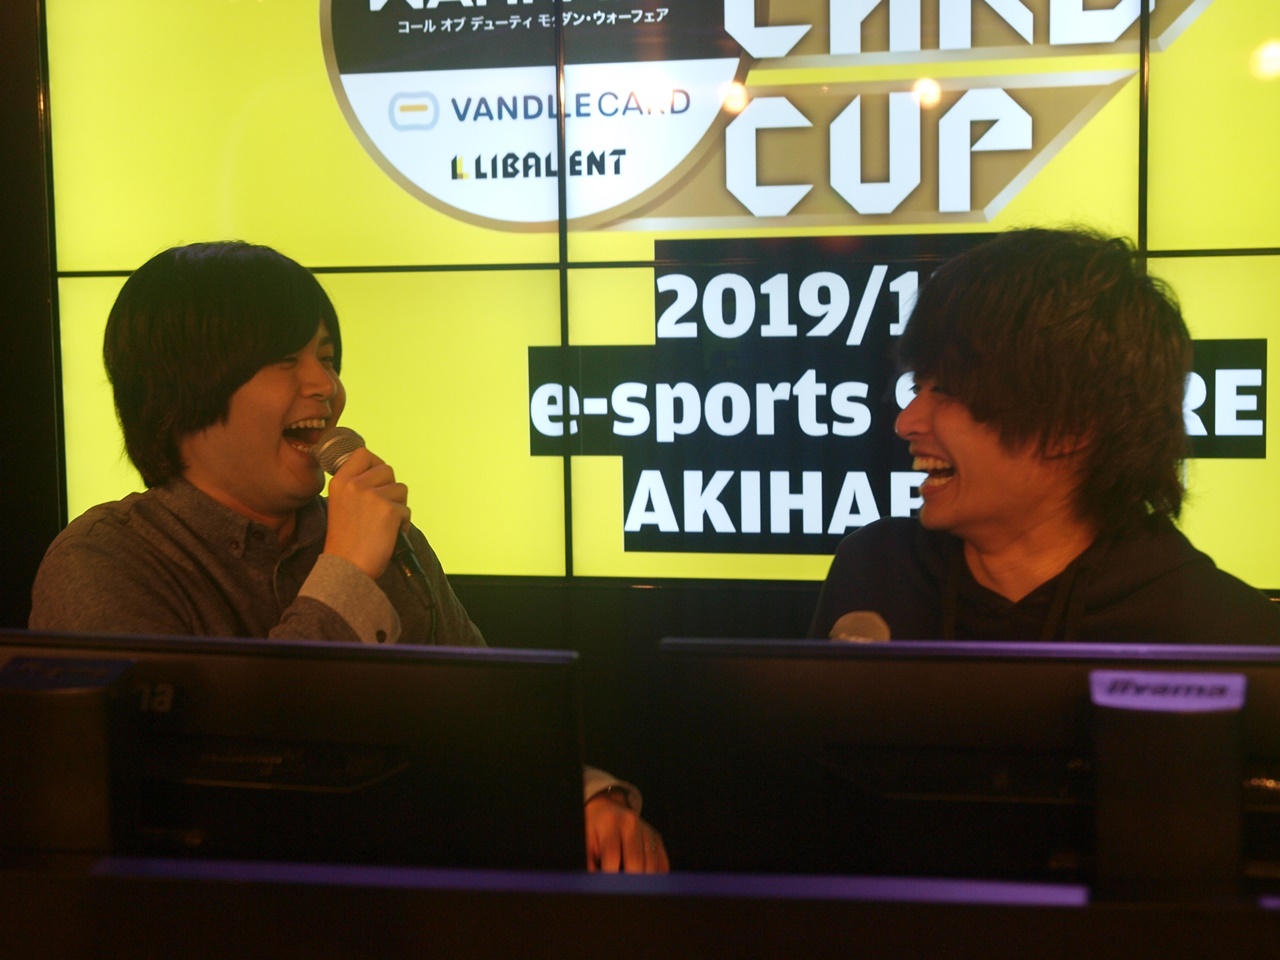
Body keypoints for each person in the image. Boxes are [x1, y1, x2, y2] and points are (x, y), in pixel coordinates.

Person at [29, 240, 668, 873]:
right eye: (285, 359)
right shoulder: (104, 559)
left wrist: (586, 799)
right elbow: (213, 798)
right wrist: (348, 573)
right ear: (184, 389)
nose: (327, 387)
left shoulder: (385, 539)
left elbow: (486, 721)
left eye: (328, 358)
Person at [810, 227, 1280, 645]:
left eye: (948, 390)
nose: (907, 422)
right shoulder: (874, 573)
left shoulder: (1228, 634)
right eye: (918, 387)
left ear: (1073, 425)